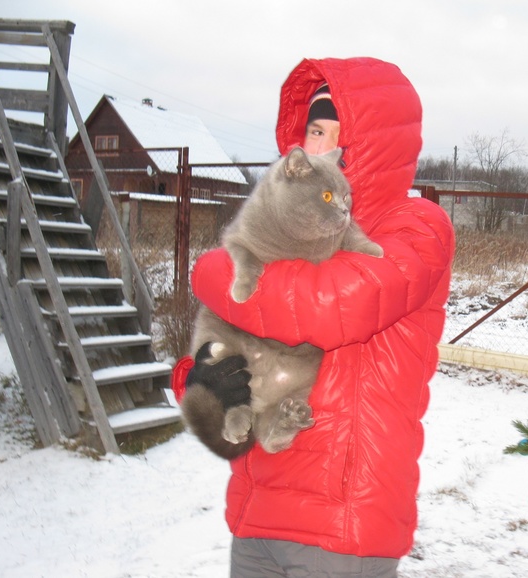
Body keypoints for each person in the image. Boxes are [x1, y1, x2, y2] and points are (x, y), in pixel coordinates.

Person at [172, 57, 455, 577]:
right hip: (257, 508)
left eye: (343, 137)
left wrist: (211, 270)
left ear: (380, 148)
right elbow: (235, 327)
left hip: (342, 524)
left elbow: (325, 305)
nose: (323, 148)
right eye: (316, 131)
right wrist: (204, 379)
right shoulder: (285, 224)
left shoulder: (416, 228)